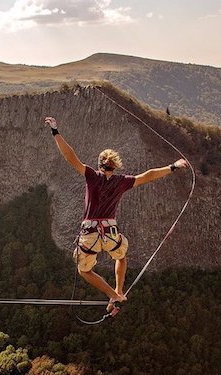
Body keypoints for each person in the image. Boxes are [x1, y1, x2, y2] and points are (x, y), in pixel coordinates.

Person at [44, 116, 189, 311]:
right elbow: (148, 175)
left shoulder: (92, 176)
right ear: (115, 166)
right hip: (110, 233)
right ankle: (119, 292)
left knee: (84, 270)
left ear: (99, 164)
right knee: (121, 257)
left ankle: (113, 295)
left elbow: (70, 157)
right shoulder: (121, 181)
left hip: (90, 234)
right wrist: (172, 167)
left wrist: (55, 131)